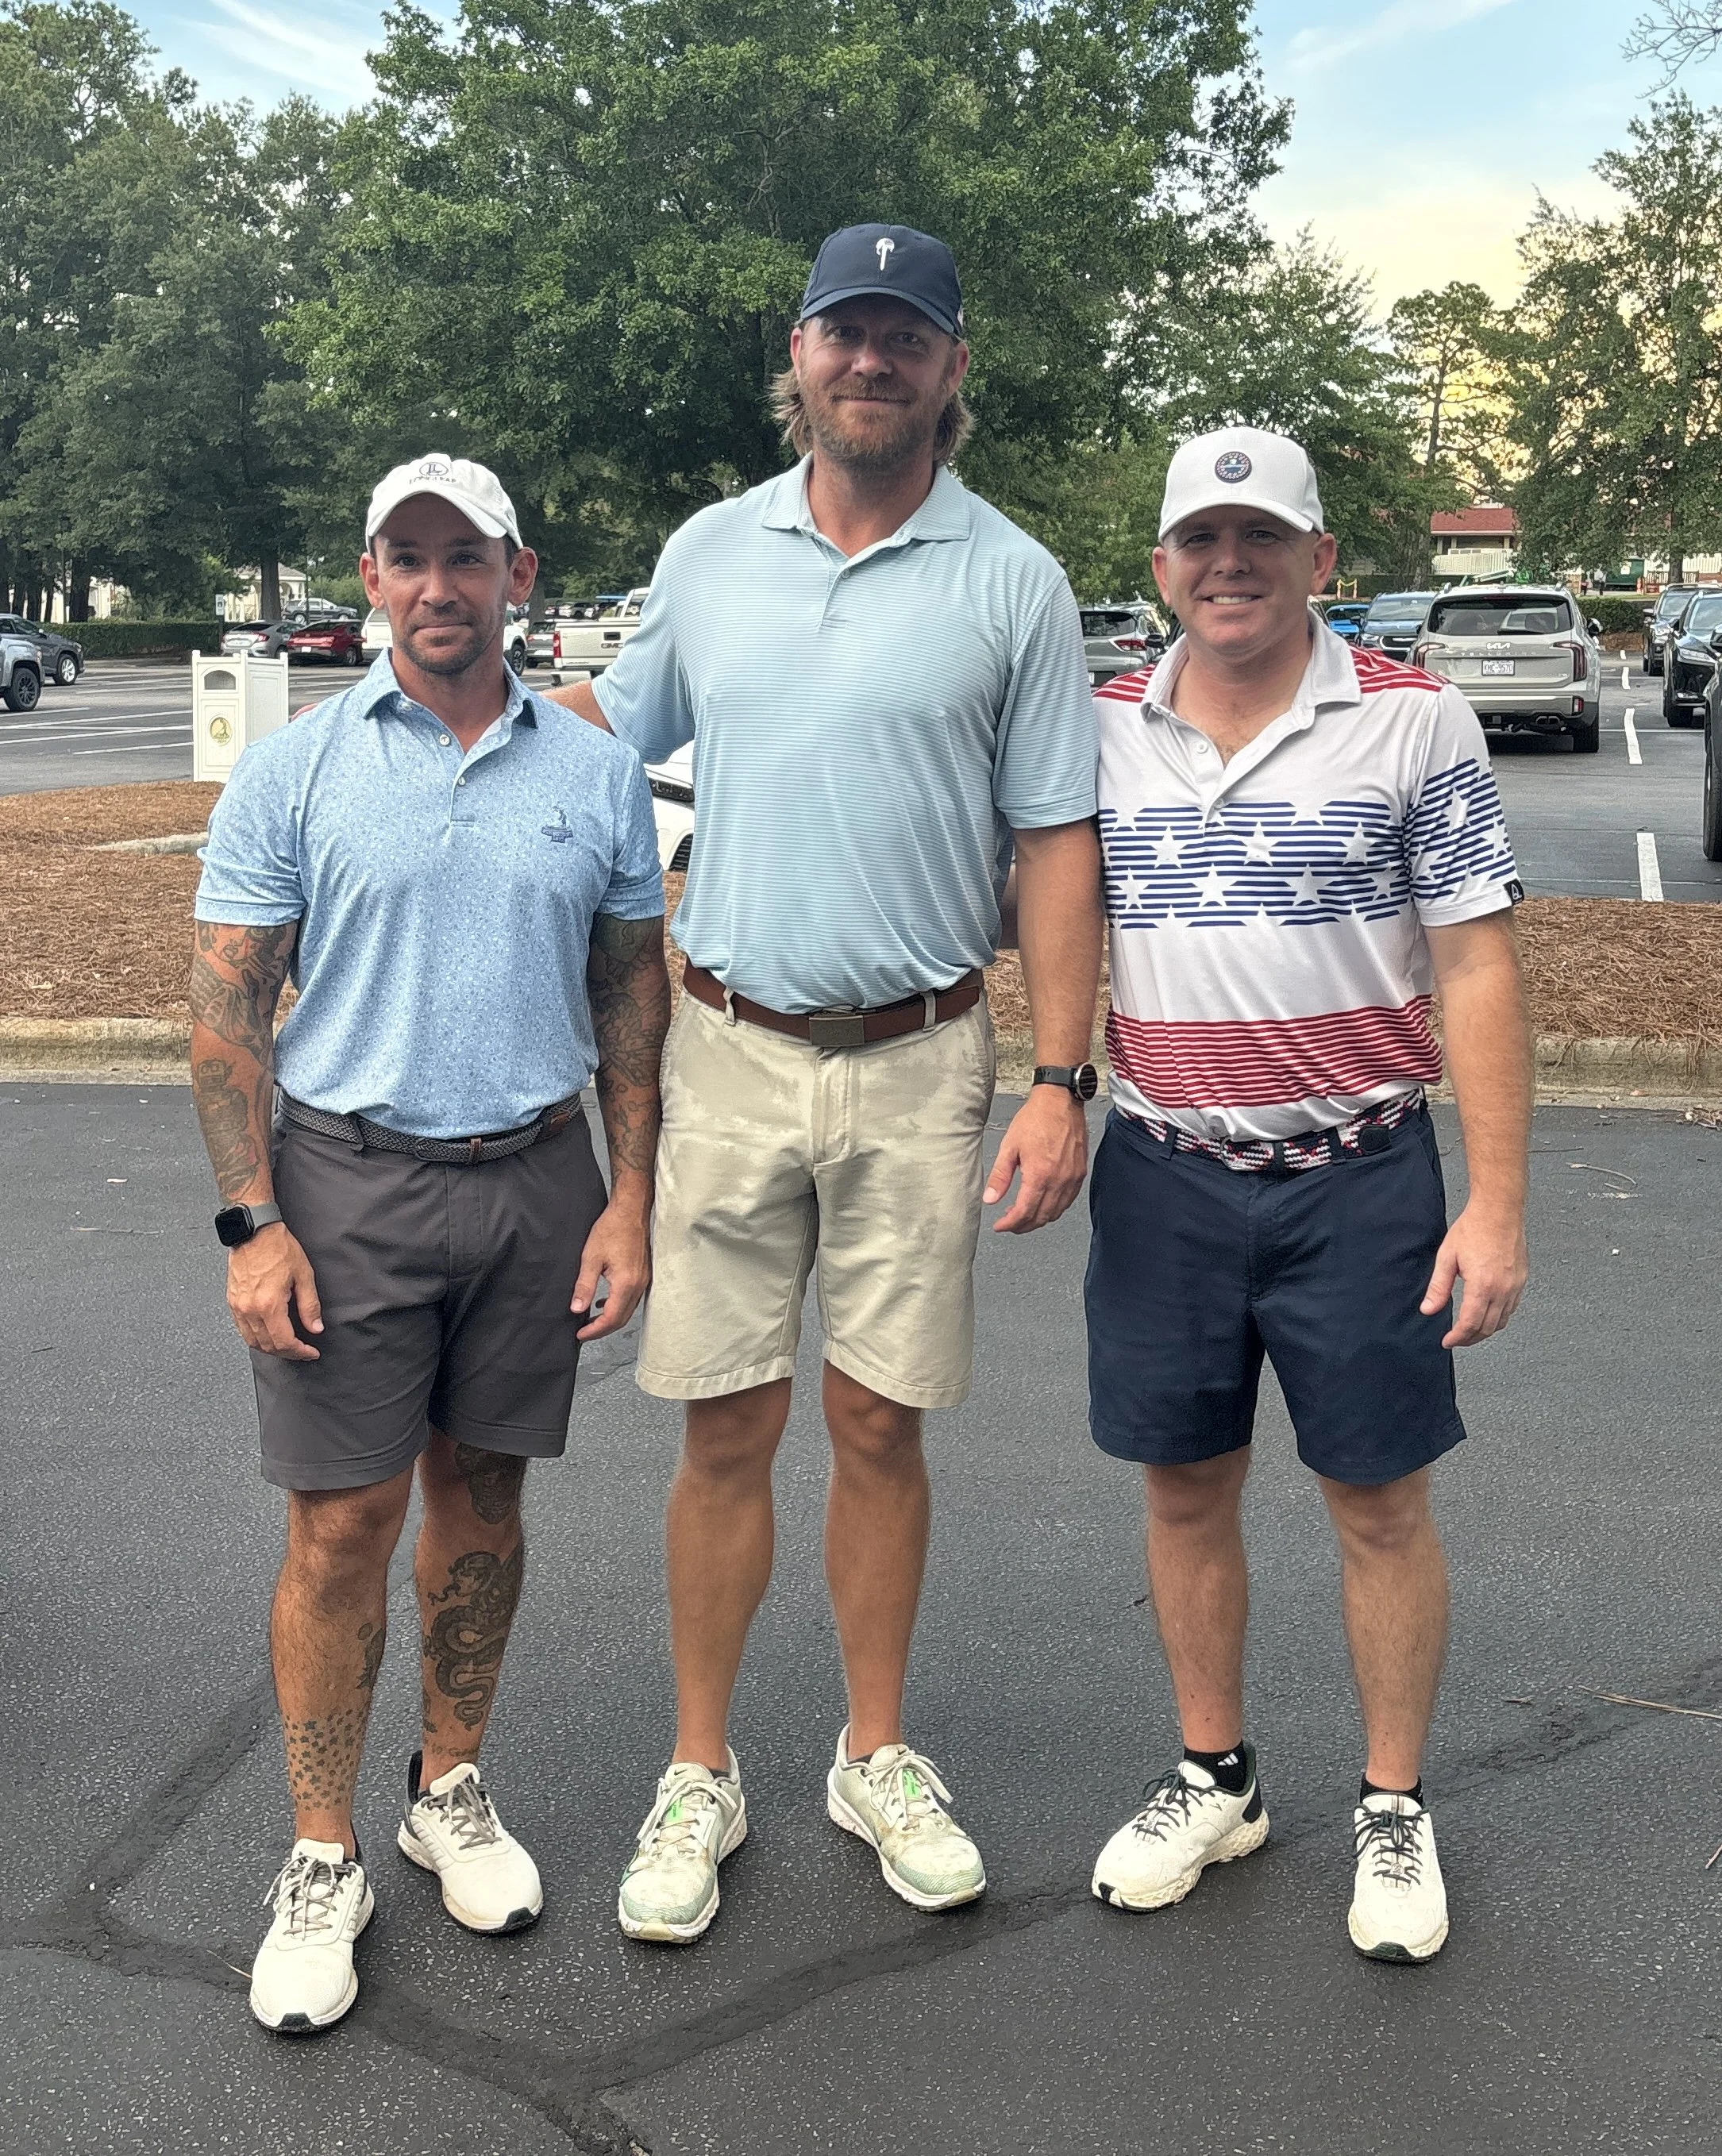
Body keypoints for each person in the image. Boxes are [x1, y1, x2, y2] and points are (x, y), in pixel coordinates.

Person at [548, 223, 1104, 1942]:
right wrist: (442, 691)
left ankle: (872, 1749)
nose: (869, 360)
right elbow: (597, 733)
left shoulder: (1012, 579)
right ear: (796, 355)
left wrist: (1064, 1076)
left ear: (950, 368)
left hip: (923, 1055)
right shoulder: (709, 552)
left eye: (903, 336)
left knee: (877, 1420)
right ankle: (699, 1767)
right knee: (726, 1423)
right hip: (722, 1043)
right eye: (840, 331)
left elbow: (1058, 843)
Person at [190, 453, 669, 2031]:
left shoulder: (592, 771)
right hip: (347, 1183)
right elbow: (226, 1011)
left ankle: (444, 1788)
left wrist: (630, 1190)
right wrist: (252, 1223)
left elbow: (629, 997)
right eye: (409, 557)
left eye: (468, 558)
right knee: (340, 1530)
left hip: (537, 1180)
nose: (438, 585)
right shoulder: (299, 768)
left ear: (518, 577)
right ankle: (321, 1852)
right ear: (373, 575)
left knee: (482, 1501)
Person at [1084, 425, 1531, 1963]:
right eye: (1199, 539)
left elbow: (1474, 961)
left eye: (1260, 536)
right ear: (1158, 569)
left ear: (1320, 561)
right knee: (1183, 1483)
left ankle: (1392, 1802)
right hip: (1162, 1175)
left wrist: (1495, 1204)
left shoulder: (1415, 721)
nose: (1229, 564)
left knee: (1378, 1501)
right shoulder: (1098, 727)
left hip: (1360, 1177)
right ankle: (1216, 1771)